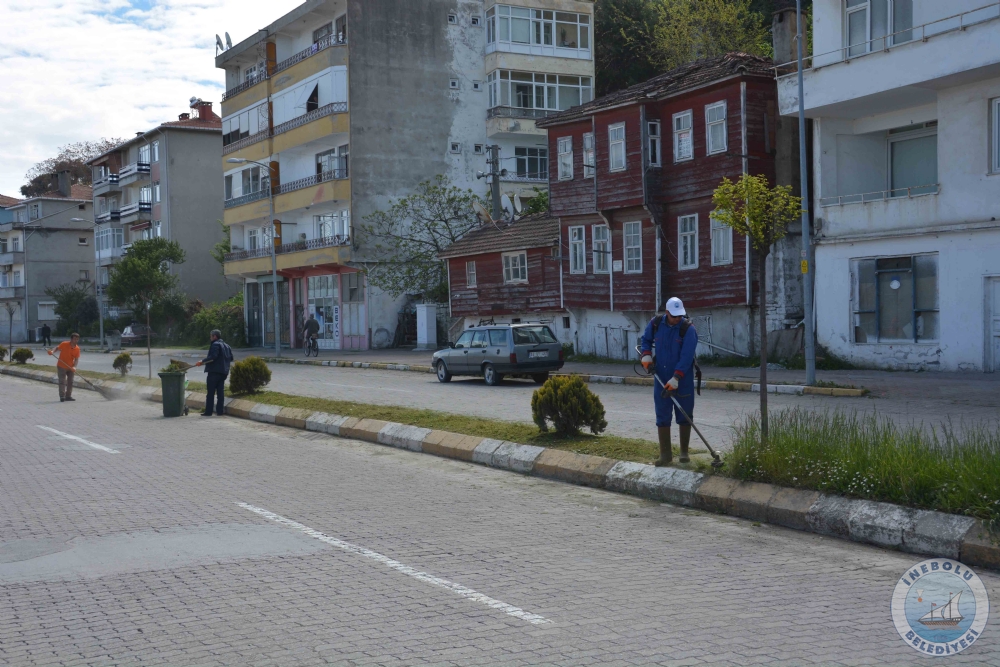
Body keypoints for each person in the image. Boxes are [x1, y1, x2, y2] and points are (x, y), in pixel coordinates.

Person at [640, 297, 698, 466]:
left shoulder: (688, 329)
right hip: (661, 376)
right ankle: (665, 455)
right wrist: (646, 355)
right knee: (662, 414)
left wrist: (677, 377)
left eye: (680, 316)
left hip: (683, 379)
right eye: (674, 316)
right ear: (667, 313)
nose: (678, 319)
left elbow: (687, 357)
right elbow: (646, 340)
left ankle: (684, 453)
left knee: (685, 414)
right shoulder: (656, 323)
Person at [194, 329, 233, 416]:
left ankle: (208, 412)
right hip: (223, 373)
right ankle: (220, 411)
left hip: (214, 372)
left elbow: (213, 357)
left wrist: (202, 361)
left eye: (211, 336)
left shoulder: (215, 344)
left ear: (215, 336)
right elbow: (231, 358)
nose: (210, 338)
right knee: (220, 392)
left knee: (211, 393)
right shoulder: (227, 346)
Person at [47, 333, 81, 402]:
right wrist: (52, 351)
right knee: (62, 381)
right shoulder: (64, 344)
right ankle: (62, 396)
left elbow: (76, 359)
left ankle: (68, 396)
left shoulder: (77, 349)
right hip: (61, 366)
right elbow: (57, 348)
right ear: (71, 339)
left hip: (70, 367)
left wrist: (74, 367)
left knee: (70, 382)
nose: (76, 340)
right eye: (75, 339)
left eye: (77, 339)